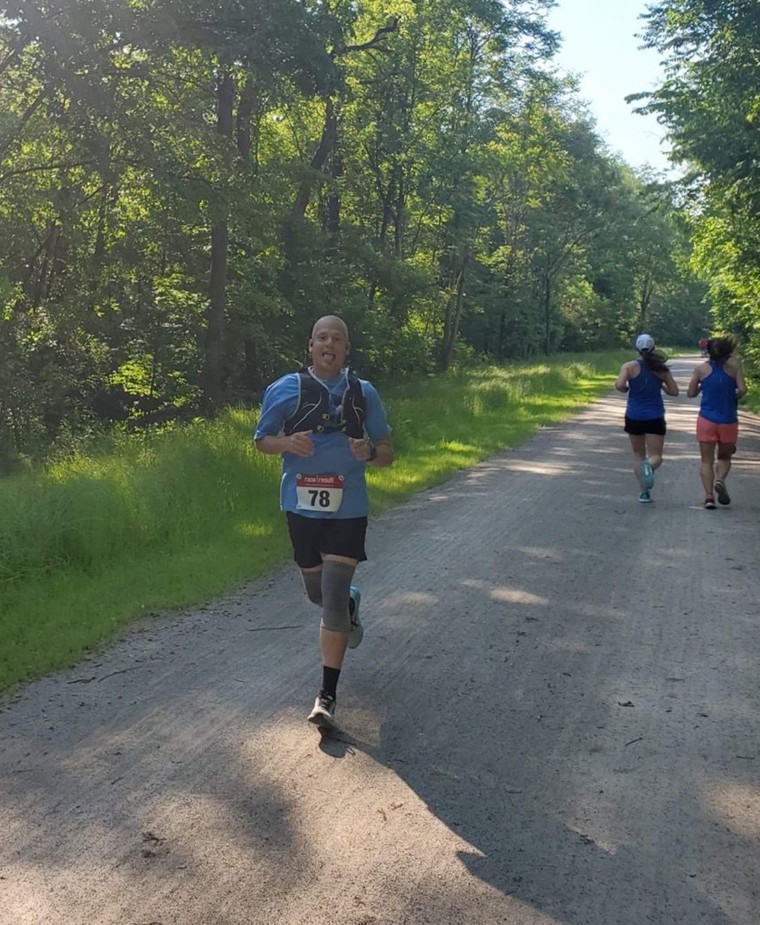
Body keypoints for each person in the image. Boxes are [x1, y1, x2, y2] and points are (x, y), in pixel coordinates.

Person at [254, 315, 394, 731]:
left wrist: (368, 452)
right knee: (319, 595)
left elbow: (387, 451)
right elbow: (261, 440)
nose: (329, 343)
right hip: (300, 508)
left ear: (346, 349)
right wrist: (286, 442)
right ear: (311, 345)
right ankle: (349, 603)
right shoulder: (285, 389)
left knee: (329, 599)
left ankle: (326, 697)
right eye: (322, 337)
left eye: (337, 338)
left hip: (348, 509)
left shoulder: (363, 392)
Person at [615, 333, 680, 503]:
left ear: (637, 349)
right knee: (656, 456)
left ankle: (644, 492)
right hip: (655, 416)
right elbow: (674, 391)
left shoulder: (629, 367)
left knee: (638, 454)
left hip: (634, 415)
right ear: (653, 348)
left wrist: (627, 390)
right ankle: (649, 466)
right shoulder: (661, 369)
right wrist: (663, 389)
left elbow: (620, 385)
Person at [686, 335, 746, 509]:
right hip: (728, 419)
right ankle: (720, 480)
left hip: (706, 420)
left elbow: (691, 393)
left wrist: (701, 387)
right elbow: (742, 390)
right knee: (725, 457)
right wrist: (731, 394)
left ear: (708, 352)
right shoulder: (735, 367)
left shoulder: (700, 370)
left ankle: (709, 496)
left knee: (706, 461)